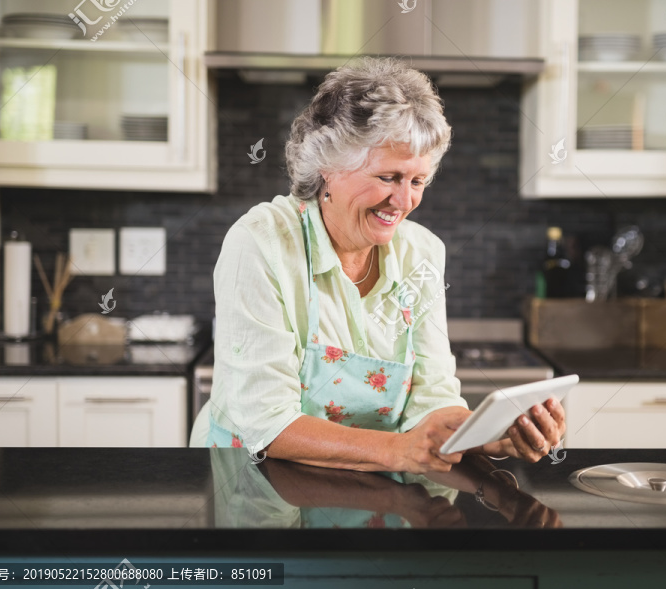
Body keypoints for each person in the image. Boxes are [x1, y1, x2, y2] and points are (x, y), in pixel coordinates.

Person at [190, 57, 565, 473]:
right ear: (329, 168)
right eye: (388, 178)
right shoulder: (262, 243)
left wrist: (491, 437)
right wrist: (397, 451)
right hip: (254, 488)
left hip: (367, 495)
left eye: (417, 181)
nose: (404, 202)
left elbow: (432, 398)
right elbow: (266, 421)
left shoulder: (421, 253)